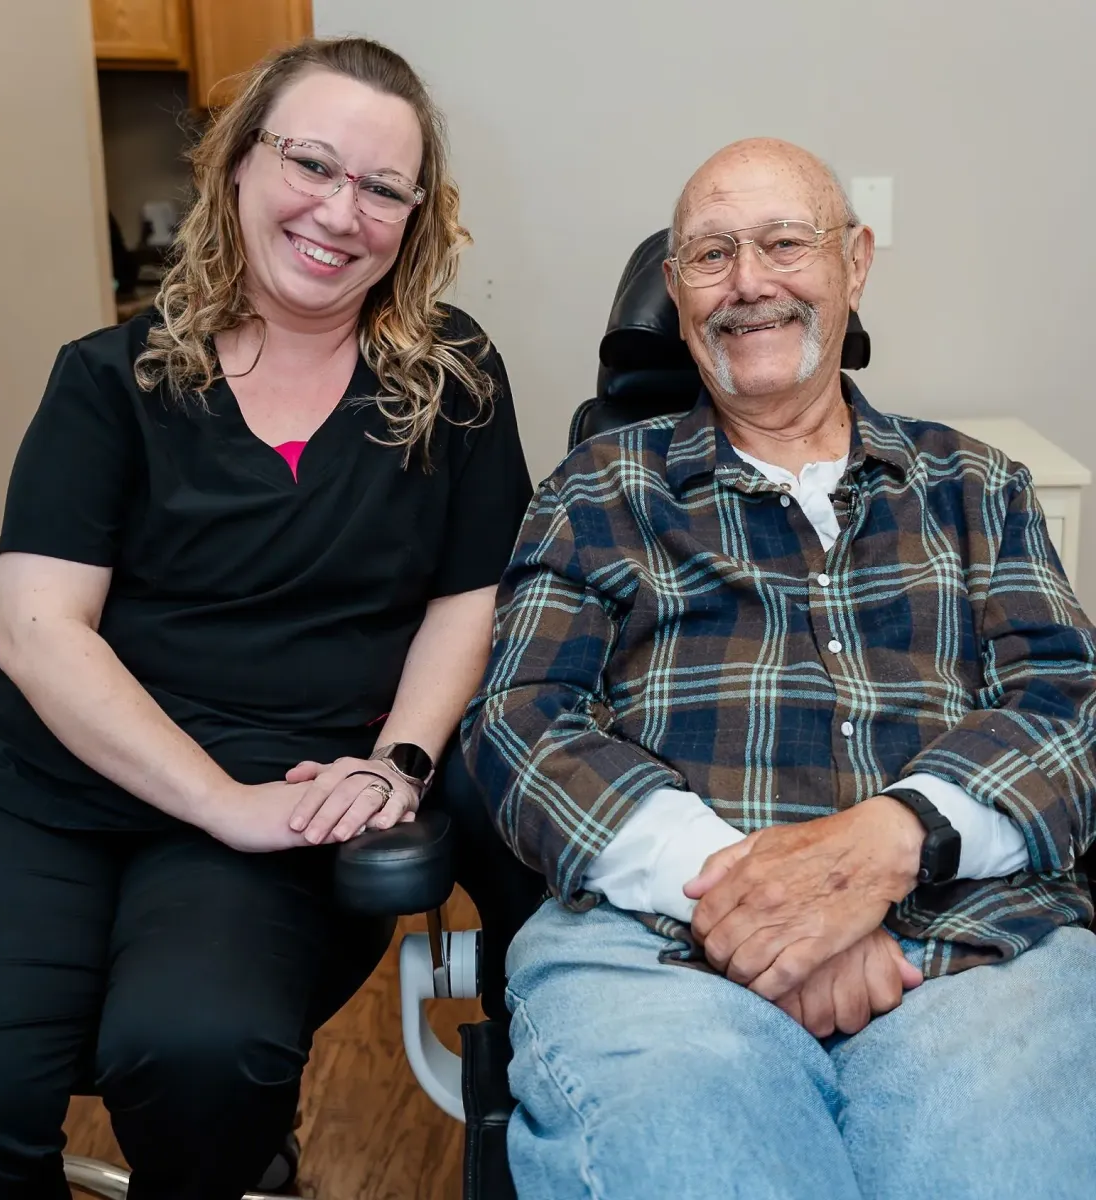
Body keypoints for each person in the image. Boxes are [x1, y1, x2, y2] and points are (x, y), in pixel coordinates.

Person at [0, 36, 530, 1200]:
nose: (342, 211)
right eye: (313, 163)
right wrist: (216, 806)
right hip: (56, 785)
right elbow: (42, 632)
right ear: (238, 165)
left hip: (292, 784)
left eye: (384, 187)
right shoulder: (110, 380)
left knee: (198, 1057)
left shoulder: (453, 383)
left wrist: (398, 762)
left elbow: (469, 599)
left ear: (415, 219)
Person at [462, 137, 1096, 1200]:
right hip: (659, 957)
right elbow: (523, 723)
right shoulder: (598, 488)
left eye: (784, 243)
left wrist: (892, 846)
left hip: (973, 952)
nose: (749, 282)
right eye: (711, 255)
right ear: (673, 289)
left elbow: (1069, 707)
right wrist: (759, 900)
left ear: (854, 262)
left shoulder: (979, 486)